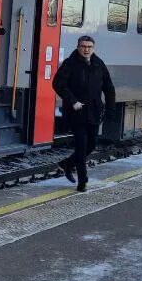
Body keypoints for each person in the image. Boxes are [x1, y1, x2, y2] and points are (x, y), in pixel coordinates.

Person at [52, 35, 116, 192]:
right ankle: (82, 181)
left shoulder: (98, 64)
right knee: (81, 146)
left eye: (89, 47)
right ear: (78, 47)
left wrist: (110, 110)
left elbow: (109, 88)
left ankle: (67, 164)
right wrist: (72, 101)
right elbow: (58, 84)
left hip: (94, 111)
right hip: (77, 112)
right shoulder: (70, 63)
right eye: (83, 46)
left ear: (93, 48)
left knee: (91, 145)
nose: (86, 49)